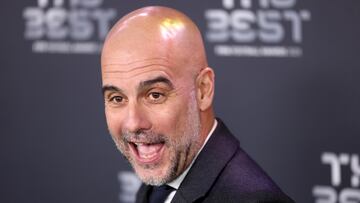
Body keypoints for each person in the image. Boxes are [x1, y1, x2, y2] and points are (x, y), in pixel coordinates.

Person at [101, 6, 294, 203]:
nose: (133, 123)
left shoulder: (254, 200)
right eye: (117, 98)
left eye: (155, 95)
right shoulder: (158, 186)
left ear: (203, 90)